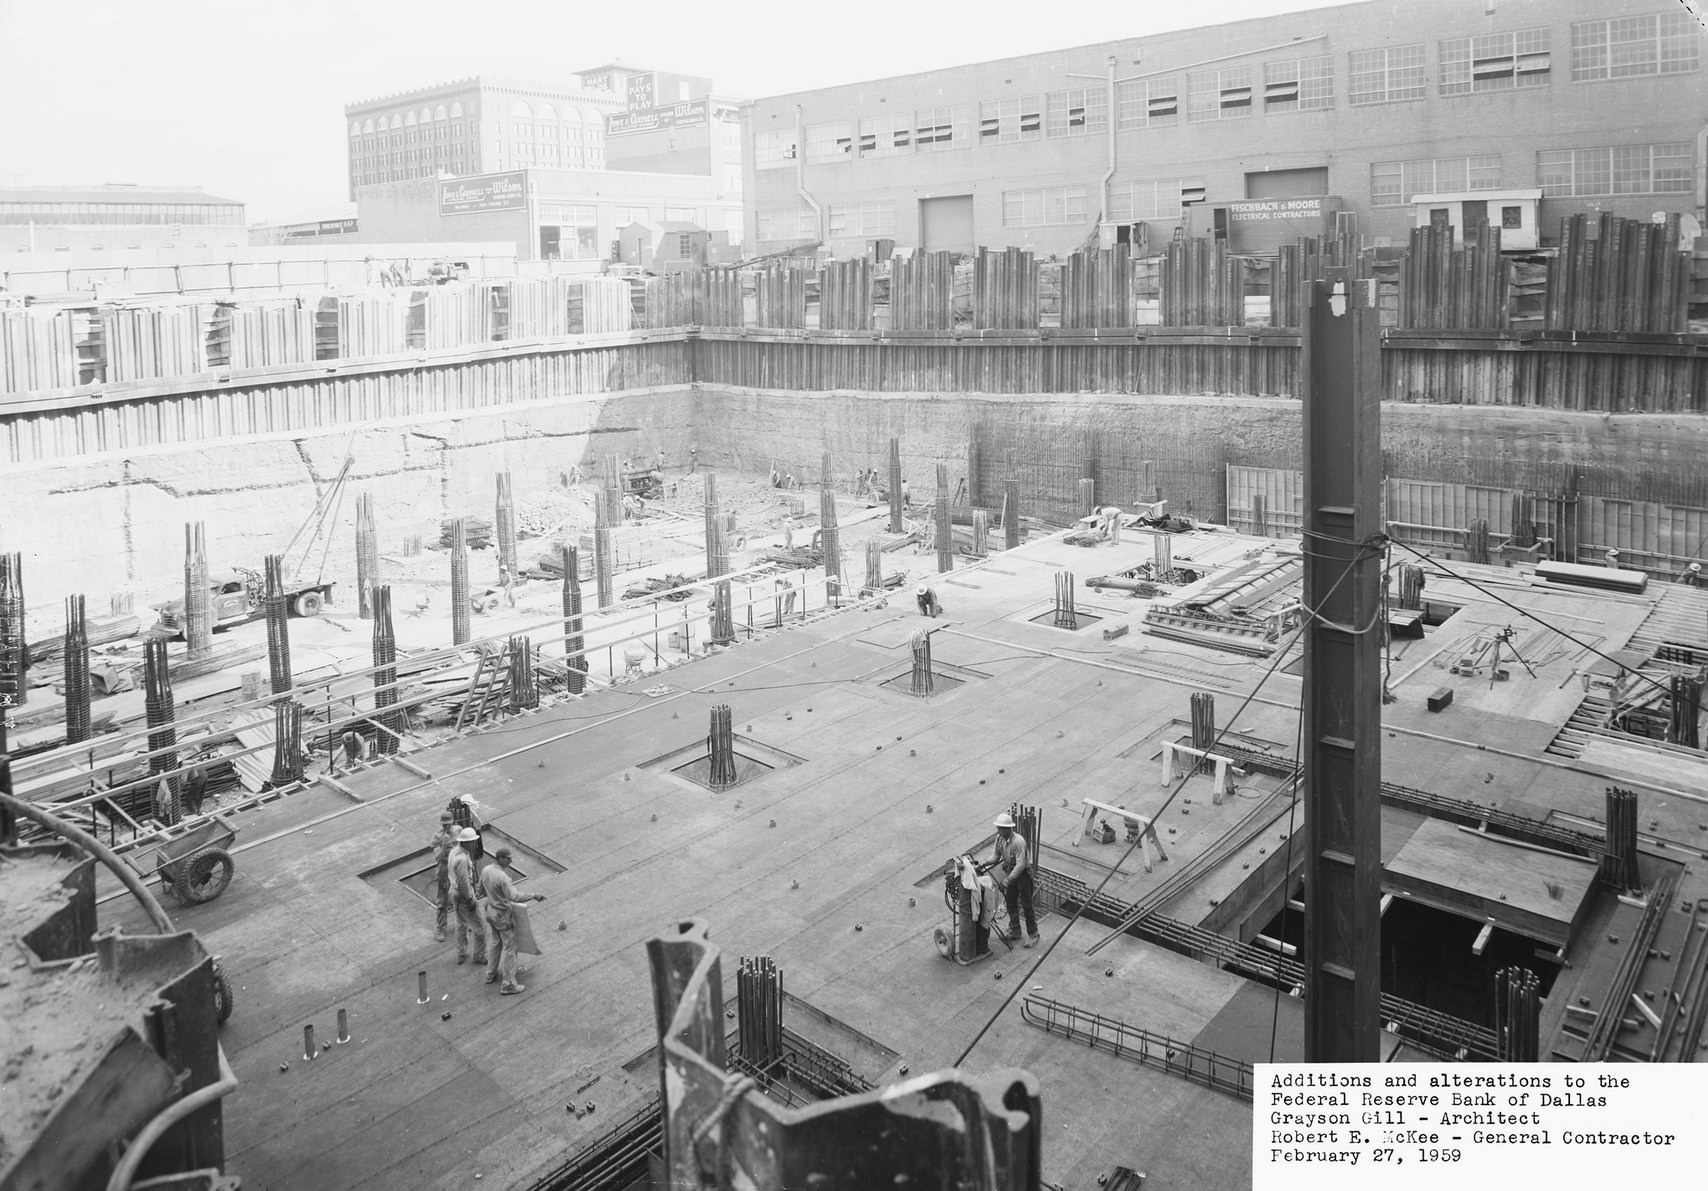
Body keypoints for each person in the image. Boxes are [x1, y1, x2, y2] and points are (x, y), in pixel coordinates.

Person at [479, 847, 546, 994]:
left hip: (490, 912)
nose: (510, 861)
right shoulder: (502, 877)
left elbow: (480, 890)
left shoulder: (486, 870)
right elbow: (514, 896)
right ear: (500, 858)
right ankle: (508, 984)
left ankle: (490, 974)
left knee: (496, 943)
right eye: (508, 858)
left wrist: (492, 899)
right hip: (502, 916)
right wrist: (534, 895)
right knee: (510, 948)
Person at [989, 811, 1039, 948]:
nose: (998, 830)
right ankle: (1015, 930)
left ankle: (1033, 934)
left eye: (1000, 828)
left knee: (1027, 905)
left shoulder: (1018, 842)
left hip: (1023, 875)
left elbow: (1021, 865)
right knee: (1010, 902)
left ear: (1008, 829)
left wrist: (1007, 881)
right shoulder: (999, 839)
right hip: (1011, 872)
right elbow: (995, 856)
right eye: (998, 828)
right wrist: (983, 864)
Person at [448, 827, 487, 966]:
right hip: (463, 896)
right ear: (468, 843)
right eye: (473, 842)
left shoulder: (454, 852)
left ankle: (462, 953)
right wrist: (470, 899)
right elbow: (463, 883)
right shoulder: (463, 859)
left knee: (461, 924)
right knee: (480, 927)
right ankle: (479, 955)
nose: (475, 845)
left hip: (454, 892)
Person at [430, 810, 457, 942]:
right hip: (444, 870)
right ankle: (441, 927)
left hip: (457, 868)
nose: (446, 826)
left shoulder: (458, 831)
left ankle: (465, 921)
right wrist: (445, 846)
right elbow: (438, 857)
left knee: (462, 896)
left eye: (448, 824)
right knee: (442, 900)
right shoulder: (437, 836)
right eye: (444, 824)